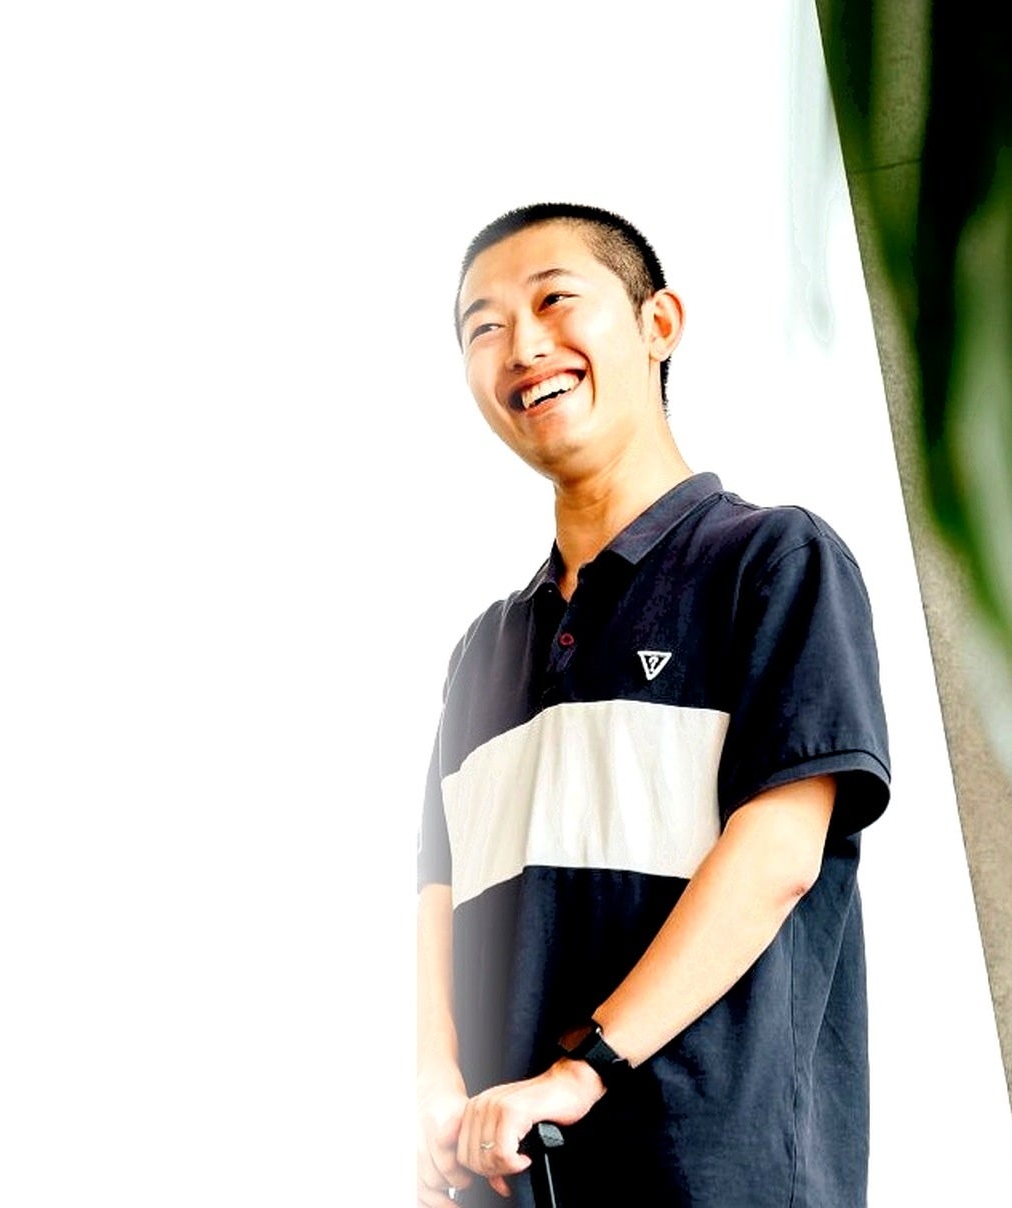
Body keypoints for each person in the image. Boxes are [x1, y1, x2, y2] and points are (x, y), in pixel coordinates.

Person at [415, 202, 891, 1207]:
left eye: (553, 300)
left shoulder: (774, 562)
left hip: (713, 1176)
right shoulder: (481, 654)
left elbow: (778, 857)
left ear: (657, 323)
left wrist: (582, 1069)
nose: (521, 345)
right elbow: (433, 896)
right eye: (483, 327)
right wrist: (432, 1087)